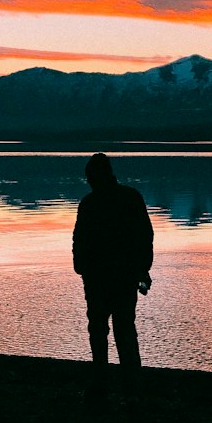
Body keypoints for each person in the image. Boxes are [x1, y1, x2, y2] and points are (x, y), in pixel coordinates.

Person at [72, 152, 153, 387]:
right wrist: (143, 269)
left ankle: (102, 379)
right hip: (121, 276)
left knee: (100, 329)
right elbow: (144, 236)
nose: (89, 182)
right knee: (124, 328)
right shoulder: (131, 198)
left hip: (100, 277)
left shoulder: (90, 203)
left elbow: (80, 240)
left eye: (90, 177)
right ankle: (130, 380)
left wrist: (81, 267)